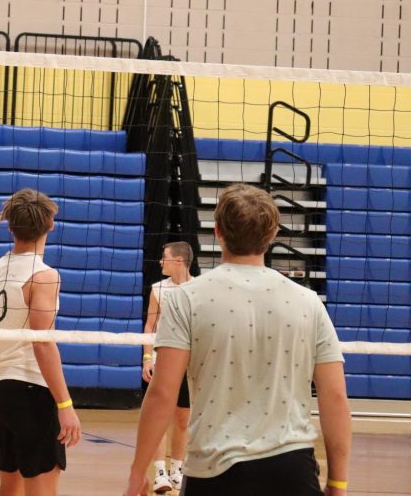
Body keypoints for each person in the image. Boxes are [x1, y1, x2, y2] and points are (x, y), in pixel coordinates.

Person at [123, 184, 350, 496]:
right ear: (272, 235)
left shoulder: (184, 300)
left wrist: (138, 471)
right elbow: (335, 396)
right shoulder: (308, 302)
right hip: (292, 470)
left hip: (215, 473)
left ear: (217, 231)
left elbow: (163, 392)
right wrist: (337, 483)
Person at [0, 188, 82, 496]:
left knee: (9, 491)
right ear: (51, 224)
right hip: (32, 394)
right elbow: (43, 343)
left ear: (10, 227)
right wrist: (65, 405)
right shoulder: (44, 276)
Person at [141, 241, 194, 492]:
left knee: (183, 418)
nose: (161, 262)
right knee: (161, 416)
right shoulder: (159, 289)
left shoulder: (198, 289)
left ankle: (177, 470)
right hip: (163, 361)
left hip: (189, 363)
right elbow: (150, 327)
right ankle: (159, 472)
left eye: (165, 257)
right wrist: (147, 358)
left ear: (179, 261)